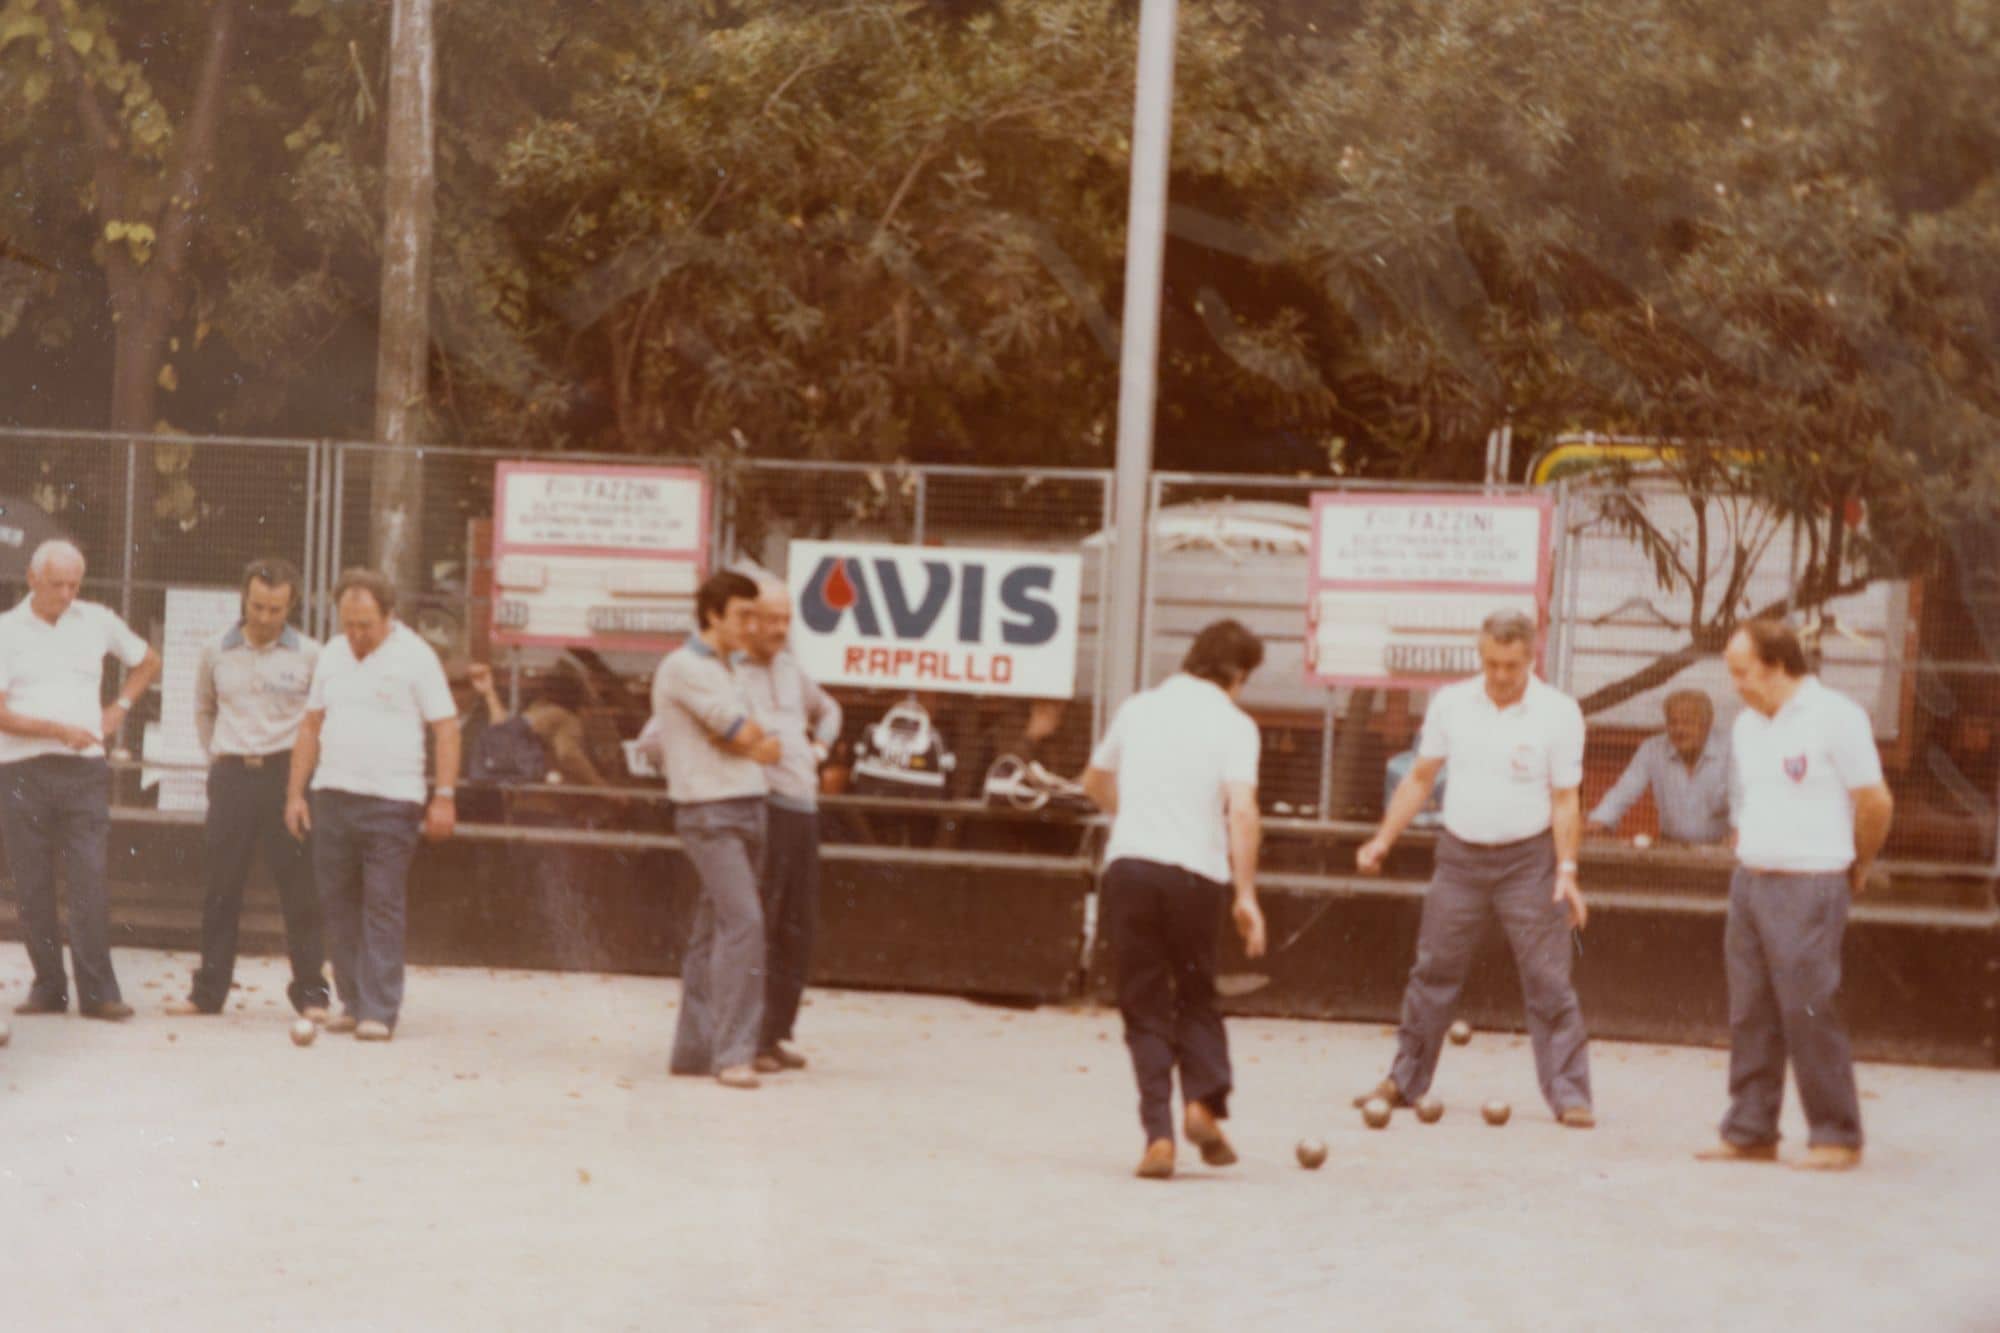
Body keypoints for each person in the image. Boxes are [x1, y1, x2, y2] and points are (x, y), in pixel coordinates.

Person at [1354, 609, 1595, 1128]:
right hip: (1459, 856)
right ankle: (1404, 1079)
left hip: (1529, 861)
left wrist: (1567, 870)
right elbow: (1420, 778)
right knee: (1433, 970)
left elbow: (1565, 799)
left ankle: (1571, 1093)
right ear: (1479, 655)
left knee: (1547, 977)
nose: (1501, 676)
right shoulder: (1451, 704)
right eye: (1491, 664)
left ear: (1532, 656)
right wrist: (1382, 840)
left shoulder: (1558, 712)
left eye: (1511, 665)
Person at [1697, 619, 1893, 1171]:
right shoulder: (1746, 726)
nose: (1735, 683)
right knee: (1750, 1011)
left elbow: (1875, 802)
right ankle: (1750, 1129)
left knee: (1808, 1008)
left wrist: (1857, 864)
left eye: (1742, 672)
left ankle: (1836, 1134)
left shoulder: (1837, 717)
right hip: (1751, 880)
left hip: (1811, 881)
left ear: (1778, 665)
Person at [1082, 618, 1268, 1180]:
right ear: (1237, 674)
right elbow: (1242, 810)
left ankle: (1158, 1137)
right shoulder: (1236, 725)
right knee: (1195, 994)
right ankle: (1201, 1104)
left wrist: (1136, 812)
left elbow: (1093, 781)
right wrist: (1246, 893)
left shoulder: (1139, 708)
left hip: (1132, 866)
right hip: (1196, 875)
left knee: (1143, 1004)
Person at [284, 569, 460, 1042]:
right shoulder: (332, 656)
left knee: (382, 903)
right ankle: (353, 1000)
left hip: (393, 801)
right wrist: (295, 794)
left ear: (390, 617)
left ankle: (380, 1009)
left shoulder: (417, 658)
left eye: (366, 624)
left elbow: (445, 727)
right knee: (337, 905)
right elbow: (310, 725)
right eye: (349, 623)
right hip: (333, 794)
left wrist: (444, 795)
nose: (357, 635)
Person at [0, 539, 159, 1020]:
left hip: (84, 769)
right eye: (57, 584)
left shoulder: (97, 620)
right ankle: (49, 986)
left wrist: (120, 708)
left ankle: (99, 992)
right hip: (22, 769)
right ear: (31, 579)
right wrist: (54, 730)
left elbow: (148, 660)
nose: (67, 594)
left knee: (89, 875)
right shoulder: (6, 631)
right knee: (32, 883)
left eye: (74, 584)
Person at [167, 558, 329, 1020]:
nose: (264, 618)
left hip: (288, 777)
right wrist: (217, 755)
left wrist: (302, 777)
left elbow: (319, 722)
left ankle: (312, 993)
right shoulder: (215, 650)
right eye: (257, 606)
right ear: (244, 598)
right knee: (222, 887)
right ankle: (208, 992)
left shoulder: (311, 655)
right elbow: (203, 708)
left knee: (299, 887)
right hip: (233, 776)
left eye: (275, 610)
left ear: (291, 605)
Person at [654, 570, 783, 1089]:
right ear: (713, 615)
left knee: (714, 932)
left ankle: (694, 1048)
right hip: (710, 811)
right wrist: (746, 741)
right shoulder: (685, 666)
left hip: (748, 806)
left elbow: (752, 740)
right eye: (743, 615)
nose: (752, 625)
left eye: (757, 615)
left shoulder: (732, 669)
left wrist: (746, 742)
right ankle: (733, 1053)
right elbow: (742, 733)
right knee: (744, 924)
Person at [736, 578, 842, 1074]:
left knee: (797, 927)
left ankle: (777, 1033)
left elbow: (831, 710)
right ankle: (750, 1037)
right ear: (748, 619)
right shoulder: (730, 672)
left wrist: (818, 749)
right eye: (770, 618)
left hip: (804, 809)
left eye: (786, 619)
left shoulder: (789, 667)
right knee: (765, 922)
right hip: (766, 808)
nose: (780, 629)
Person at [1586, 689, 1733, 845]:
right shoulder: (1652, 748)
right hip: (1671, 845)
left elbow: (1747, 797)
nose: (1679, 730)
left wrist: (1741, 833)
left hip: (1722, 847)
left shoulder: (1732, 749)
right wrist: (1600, 820)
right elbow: (1624, 789)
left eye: (1687, 722)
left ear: (1707, 724)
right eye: (1673, 722)